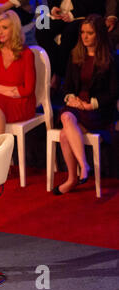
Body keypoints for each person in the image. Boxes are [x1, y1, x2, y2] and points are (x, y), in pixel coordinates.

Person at [53, 14, 118, 195]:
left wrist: (92, 105)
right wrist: (71, 98)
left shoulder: (111, 58)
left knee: (65, 133)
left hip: (98, 111)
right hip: (76, 106)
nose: (85, 36)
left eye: (90, 33)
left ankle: (73, 178)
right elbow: (66, 87)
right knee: (66, 115)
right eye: (82, 32)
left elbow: (113, 93)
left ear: (99, 35)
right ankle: (83, 166)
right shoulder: (75, 55)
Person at [0, 10, 36, 139]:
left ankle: (1, 157)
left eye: (5, 28)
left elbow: (27, 90)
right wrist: (11, 90)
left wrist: (0, 88)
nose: (0, 32)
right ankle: (3, 157)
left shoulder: (27, 54)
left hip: (21, 104)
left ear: (14, 29)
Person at [35, 0, 105, 95]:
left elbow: (93, 4)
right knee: (41, 28)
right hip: (61, 14)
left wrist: (72, 14)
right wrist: (53, 8)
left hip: (82, 15)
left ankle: (59, 73)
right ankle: (54, 70)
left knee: (69, 33)